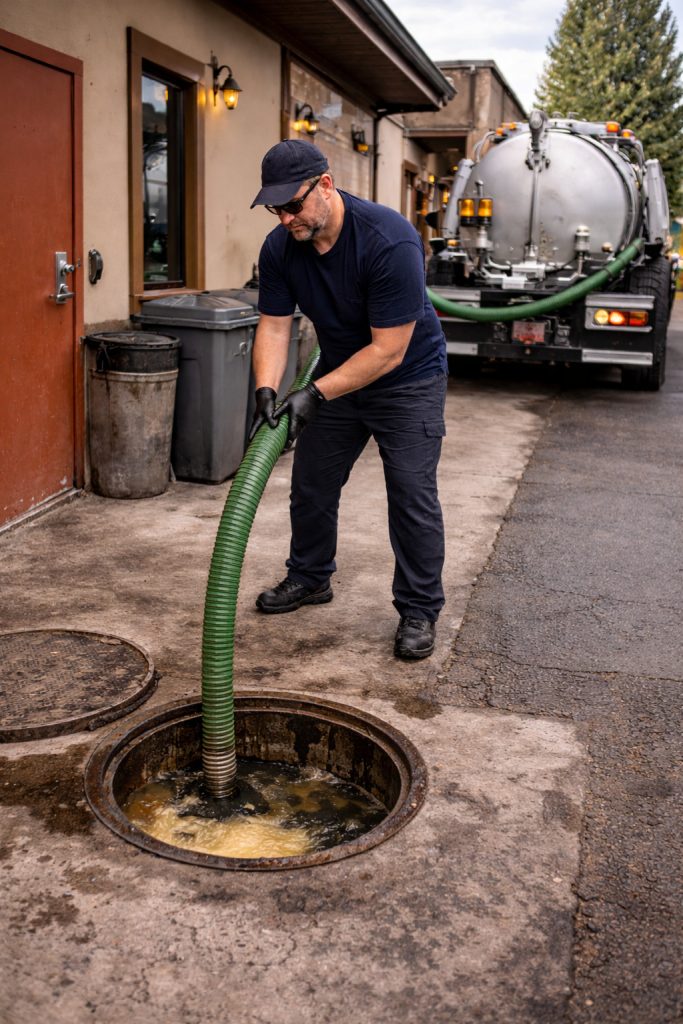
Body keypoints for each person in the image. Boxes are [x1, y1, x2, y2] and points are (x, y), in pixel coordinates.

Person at [248, 139, 447, 660]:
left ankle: (419, 610)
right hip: (339, 375)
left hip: (408, 380)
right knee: (312, 482)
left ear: (326, 186)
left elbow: (388, 351)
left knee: (410, 494)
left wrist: (311, 393)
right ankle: (311, 578)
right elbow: (273, 325)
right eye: (276, 208)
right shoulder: (280, 247)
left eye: (293, 205)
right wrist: (267, 388)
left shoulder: (389, 240)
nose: (286, 218)